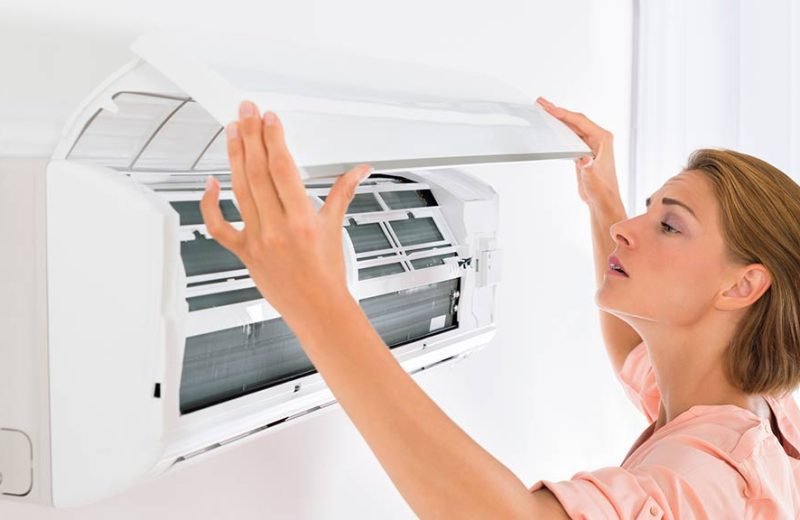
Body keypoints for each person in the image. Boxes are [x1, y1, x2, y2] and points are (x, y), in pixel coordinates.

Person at [199, 98, 800, 518]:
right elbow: (636, 355)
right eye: (647, 206)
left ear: (742, 287)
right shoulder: (751, 410)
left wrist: (318, 301)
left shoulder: (720, 480)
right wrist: (601, 202)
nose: (628, 228)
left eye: (670, 224)